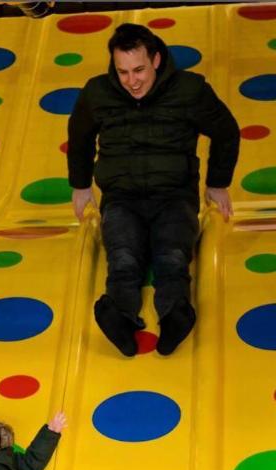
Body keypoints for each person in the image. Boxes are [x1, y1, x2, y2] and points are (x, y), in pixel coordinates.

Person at [67, 23, 239, 356]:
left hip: (173, 195)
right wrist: (81, 184)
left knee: (172, 255)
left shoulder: (190, 90)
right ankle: (119, 316)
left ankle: (175, 315)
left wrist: (217, 183)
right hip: (121, 197)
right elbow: (80, 137)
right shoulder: (97, 93)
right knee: (123, 256)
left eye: (139, 70)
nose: (132, 81)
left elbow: (227, 131)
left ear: (156, 60)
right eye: (123, 72)